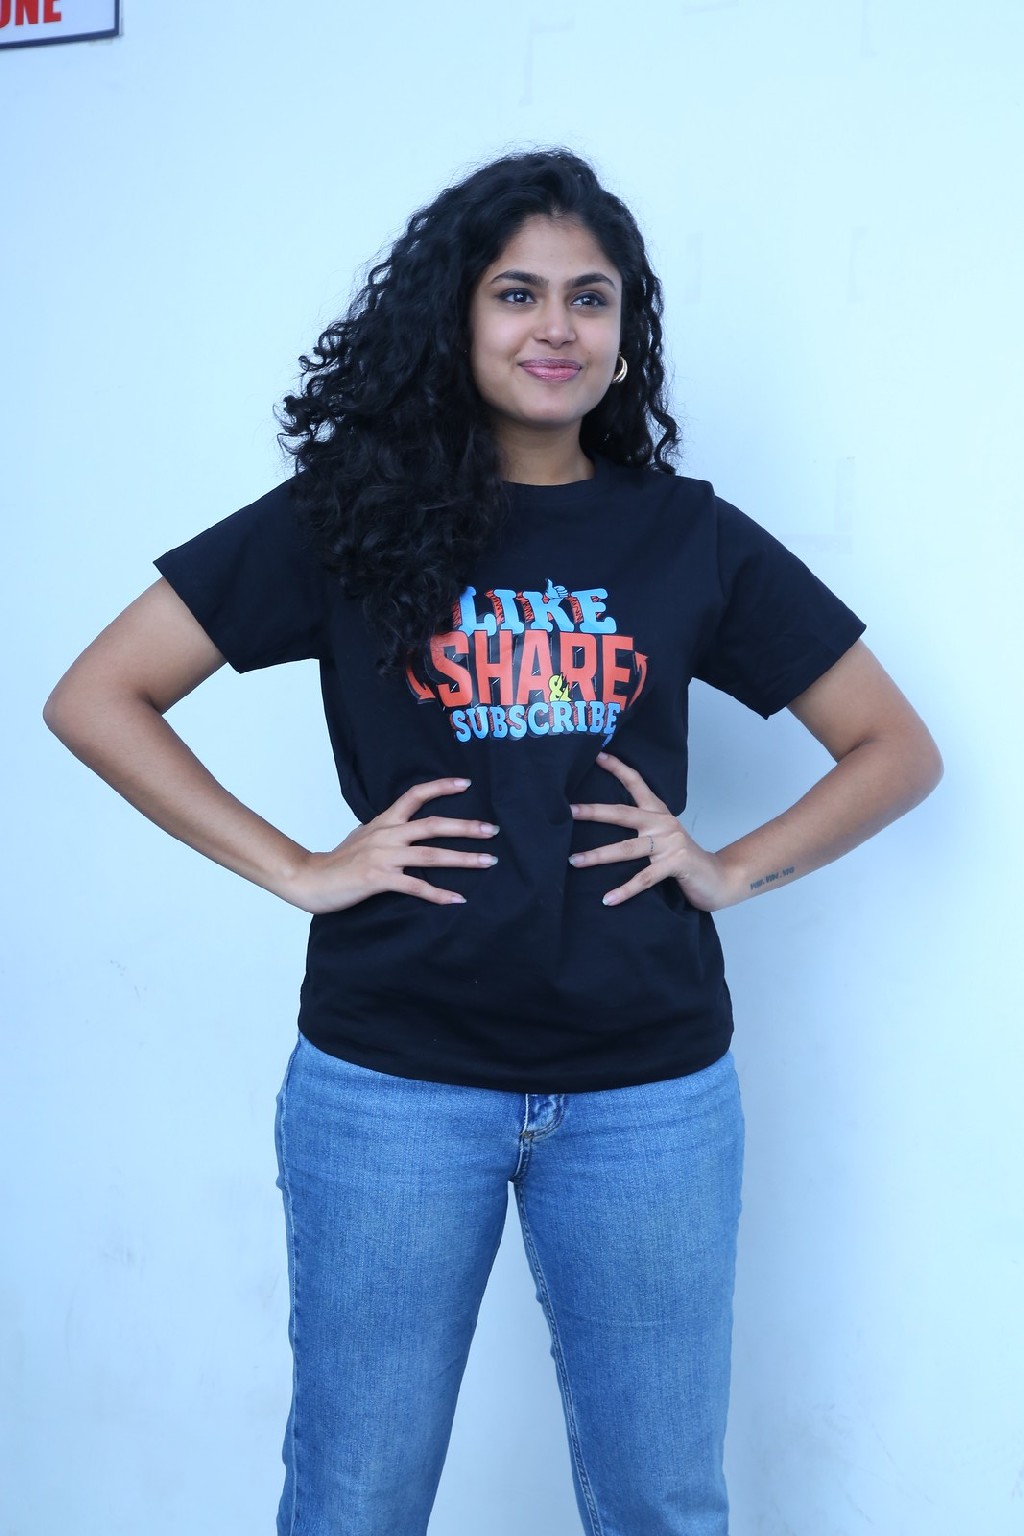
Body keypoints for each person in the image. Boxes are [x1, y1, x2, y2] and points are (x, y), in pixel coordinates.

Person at [44, 147, 942, 1536]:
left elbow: (894, 746)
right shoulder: (348, 517)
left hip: (647, 1089)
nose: (556, 328)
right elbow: (98, 695)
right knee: (357, 1497)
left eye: (592, 297)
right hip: (392, 1080)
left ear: (626, 329)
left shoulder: (685, 536)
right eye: (518, 293)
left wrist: (726, 870)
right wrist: (298, 868)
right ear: (456, 314)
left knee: (663, 1502)